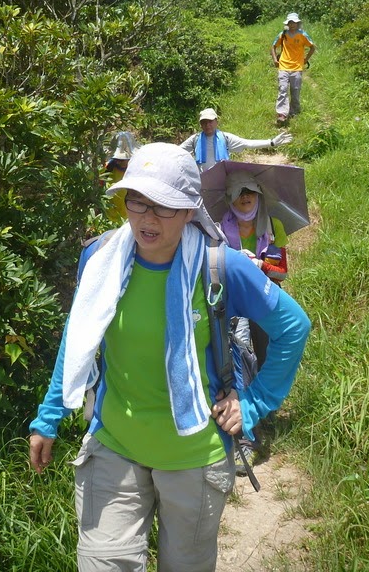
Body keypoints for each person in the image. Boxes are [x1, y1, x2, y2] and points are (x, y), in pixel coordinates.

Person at [28, 142, 310, 572]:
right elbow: (79, 332)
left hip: (194, 457)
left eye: (163, 206)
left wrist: (253, 405)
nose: (147, 218)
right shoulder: (101, 257)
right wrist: (49, 415)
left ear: (189, 209)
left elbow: (294, 327)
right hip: (114, 445)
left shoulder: (220, 266)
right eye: (137, 202)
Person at [219, 172, 291, 474]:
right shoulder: (219, 229)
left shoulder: (273, 226)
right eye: (238, 192)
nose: (245, 197)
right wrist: (235, 261)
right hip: (234, 302)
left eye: (250, 191)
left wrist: (259, 264)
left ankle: (265, 407)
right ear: (229, 198)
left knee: (266, 355)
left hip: (266, 299)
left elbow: (282, 271)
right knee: (241, 360)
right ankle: (247, 436)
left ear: (259, 195)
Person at [179, 108, 292, 172]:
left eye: (210, 121)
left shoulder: (226, 138)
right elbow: (176, 151)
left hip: (223, 177)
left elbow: (247, 143)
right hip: (202, 180)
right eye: (204, 122)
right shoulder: (195, 139)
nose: (207, 125)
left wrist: (271, 142)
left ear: (216, 122)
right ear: (200, 124)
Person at [270, 13, 316, 127]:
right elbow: (273, 46)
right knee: (282, 89)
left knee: (295, 90)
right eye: (290, 22)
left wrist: (305, 60)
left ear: (298, 23)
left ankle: (294, 112)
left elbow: (312, 47)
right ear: (288, 23)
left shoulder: (303, 35)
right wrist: (275, 60)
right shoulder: (283, 34)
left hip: (297, 67)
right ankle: (282, 114)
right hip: (283, 66)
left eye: (294, 22)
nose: (292, 25)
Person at [103, 131, 138, 224]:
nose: (119, 162)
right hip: (111, 219)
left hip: (132, 219)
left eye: (122, 159)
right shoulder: (108, 168)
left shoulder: (138, 170)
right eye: (117, 159)